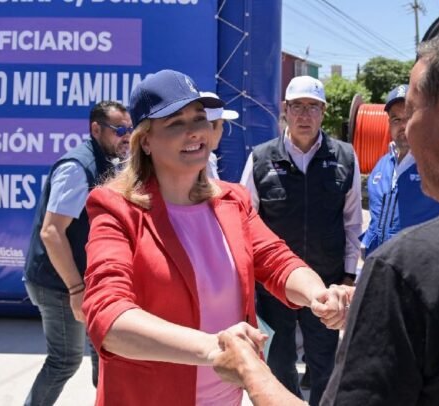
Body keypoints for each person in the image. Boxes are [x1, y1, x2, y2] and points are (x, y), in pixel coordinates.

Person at [213, 26, 439, 405]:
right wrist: (372, 298)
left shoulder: (408, 269)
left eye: (413, 111)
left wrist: (250, 372)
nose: (404, 131)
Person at [81, 69, 349, 406]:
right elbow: (108, 318)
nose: (194, 131)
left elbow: (277, 261)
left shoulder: (232, 200)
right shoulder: (116, 208)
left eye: (200, 118)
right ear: (145, 140)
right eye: (176, 123)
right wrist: (215, 348)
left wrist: (318, 295)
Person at [240, 75, 362, 405]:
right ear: (285, 110)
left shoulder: (345, 158)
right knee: (278, 363)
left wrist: (348, 276)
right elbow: (244, 223)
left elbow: (352, 223)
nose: (304, 115)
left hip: (326, 285)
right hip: (272, 287)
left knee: (325, 364)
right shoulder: (260, 158)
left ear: (323, 112)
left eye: (312, 107)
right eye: (297, 106)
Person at [23, 101, 132, 405]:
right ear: (96, 129)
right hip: (59, 283)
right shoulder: (76, 168)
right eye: (119, 130)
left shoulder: (111, 161)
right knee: (64, 360)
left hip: (90, 282)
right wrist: (75, 289)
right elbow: (51, 232)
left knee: (107, 357)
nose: (127, 136)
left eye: (130, 129)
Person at [360, 84, 439, 258]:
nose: (403, 126)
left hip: (421, 268)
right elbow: (376, 218)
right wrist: (366, 245)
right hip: (380, 266)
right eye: (396, 119)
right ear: (389, 124)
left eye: (409, 117)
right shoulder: (381, 166)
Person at [201, 91, 239, 179]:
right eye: (221, 124)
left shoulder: (210, 158)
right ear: (209, 128)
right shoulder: (200, 160)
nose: (222, 130)